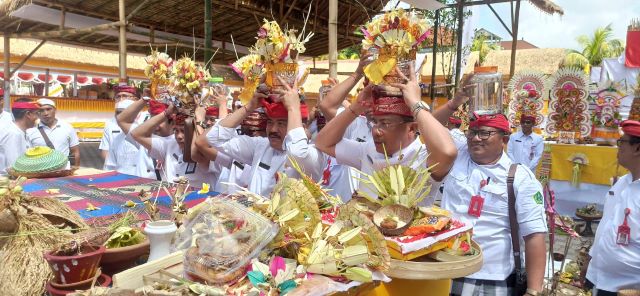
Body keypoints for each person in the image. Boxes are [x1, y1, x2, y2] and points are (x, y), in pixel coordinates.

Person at [435, 80, 547, 296]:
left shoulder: (520, 178)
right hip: (446, 267)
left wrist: (533, 291)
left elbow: (534, 236)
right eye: (472, 132)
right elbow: (426, 125)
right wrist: (455, 102)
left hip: (491, 276)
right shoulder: (457, 154)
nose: (476, 138)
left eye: (485, 133)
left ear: (504, 140)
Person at [315, 65, 458, 201]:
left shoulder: (423, 159)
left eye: (386, 123)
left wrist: (415, 102)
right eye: (376, 122)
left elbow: (448, 152)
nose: (376, 130)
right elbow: (323, 143)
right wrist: (355, 107)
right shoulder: (368, 151)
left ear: (412, 129)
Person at [205, 80, 321, 196]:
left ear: (301, 127)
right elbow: (215, 138)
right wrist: (250, 107)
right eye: (270, 122)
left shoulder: (312, 154)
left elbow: (297, 154)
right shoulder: (260, 146)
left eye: (281, 123)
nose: (273, 130)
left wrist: (293, 109)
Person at [583, 120, 640, 295]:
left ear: (637, 148)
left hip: (628, 287)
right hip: (600, 278)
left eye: (622, 142)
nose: (618, 147)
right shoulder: (622, 183)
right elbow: (607, 225)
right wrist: (591, 258)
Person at [131, 104, 218, 188]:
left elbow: (197, 152)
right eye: (176, 130)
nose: (179, 136)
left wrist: (199, 119)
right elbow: (136, 134)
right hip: (169, 199)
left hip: (199, 200)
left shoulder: (209, 149)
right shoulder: (169, 145)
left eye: (184, 131)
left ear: (194, 131)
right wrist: (166, 113)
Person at [26, 99, 80, 168]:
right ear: (37, 113)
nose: (45, 113)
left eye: (48, 109)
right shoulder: (31, 130)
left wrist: (76, 169)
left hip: (64, 171)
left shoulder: (67, 127)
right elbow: (28, 155)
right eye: (41, 111)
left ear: (55, 110)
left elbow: (75, 151)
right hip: (40, 172)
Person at [0, 99, 39, 175]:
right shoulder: (13, 133)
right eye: (36, 113)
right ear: (28, 114)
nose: (37, 118)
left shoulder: (20, 132)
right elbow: (14, 167)